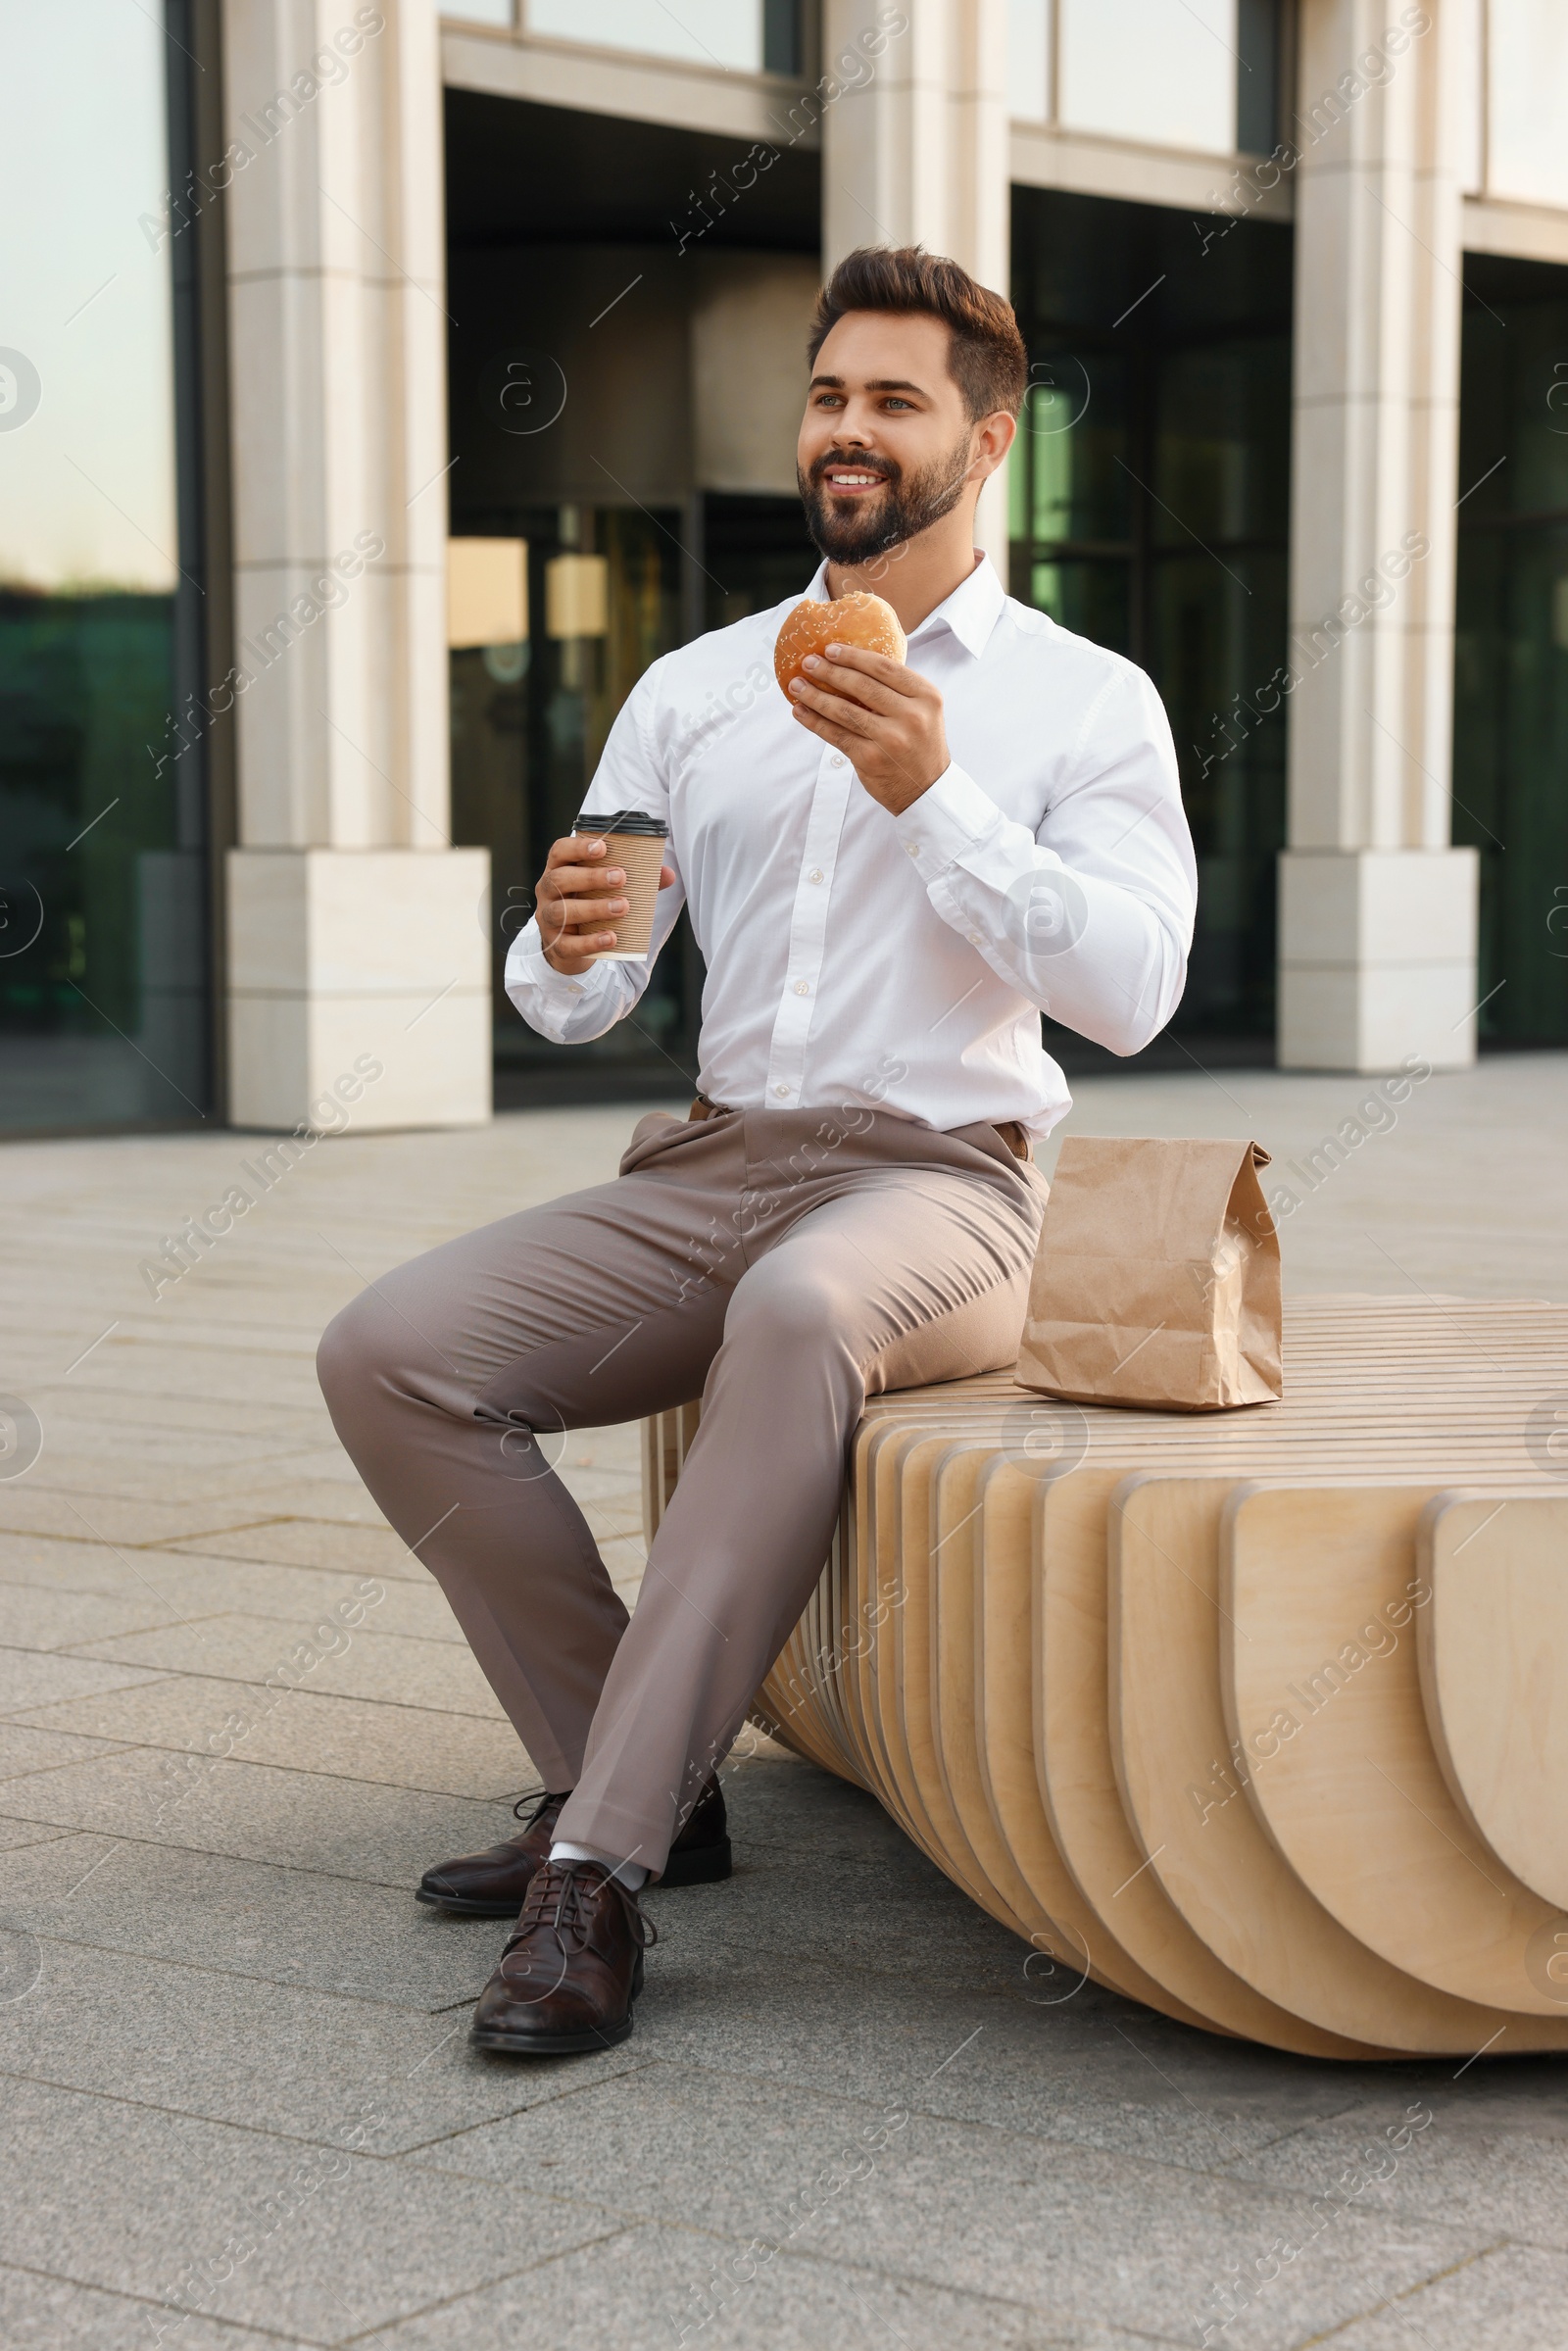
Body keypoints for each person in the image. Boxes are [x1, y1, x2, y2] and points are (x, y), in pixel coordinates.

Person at [317, 244, 1197, 2058]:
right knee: (390, 1352)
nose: (848, 431)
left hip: (945, 1184)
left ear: (987, 437)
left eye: (895, 399)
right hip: (713, 1160)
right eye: (827, 396)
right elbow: (593, 979)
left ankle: (600, 1872)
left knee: (798, 1313)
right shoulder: (701, 686)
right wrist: (556, 950)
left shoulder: (1080, 698)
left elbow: (1134, 992)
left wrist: (930, 795)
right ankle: (624, 1770)